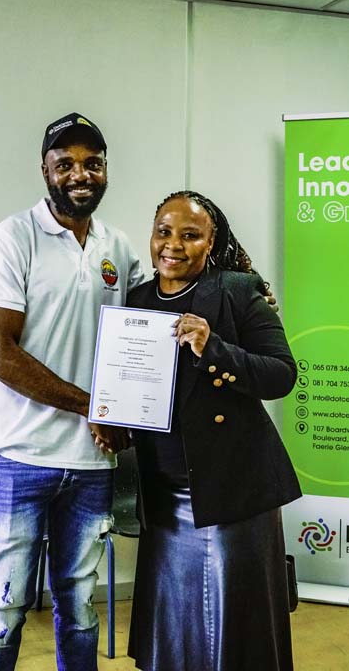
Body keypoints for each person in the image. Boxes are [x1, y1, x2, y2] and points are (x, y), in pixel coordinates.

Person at [0, 112, 144, 671]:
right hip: (18, 455)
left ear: (106, 170)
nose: (80, 174)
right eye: (65, 163)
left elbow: (147, 332)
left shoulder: (118, 246)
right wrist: (94, 406)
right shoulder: (13, 237)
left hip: (92, 461)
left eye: (92, 163)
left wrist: (239, 290)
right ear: (44, 170)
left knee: (79, 606)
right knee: (5, 610)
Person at [127, 190, 302, 671]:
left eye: (190, 235)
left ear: (211, 242)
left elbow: (281, 375)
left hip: (232, 489)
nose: (173, 245)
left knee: (234, 629)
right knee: (177, 622)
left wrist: (215, 349)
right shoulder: (137, 300)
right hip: (165, 492)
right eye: (163, 232)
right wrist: (110, 418)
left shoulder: (236, 291)